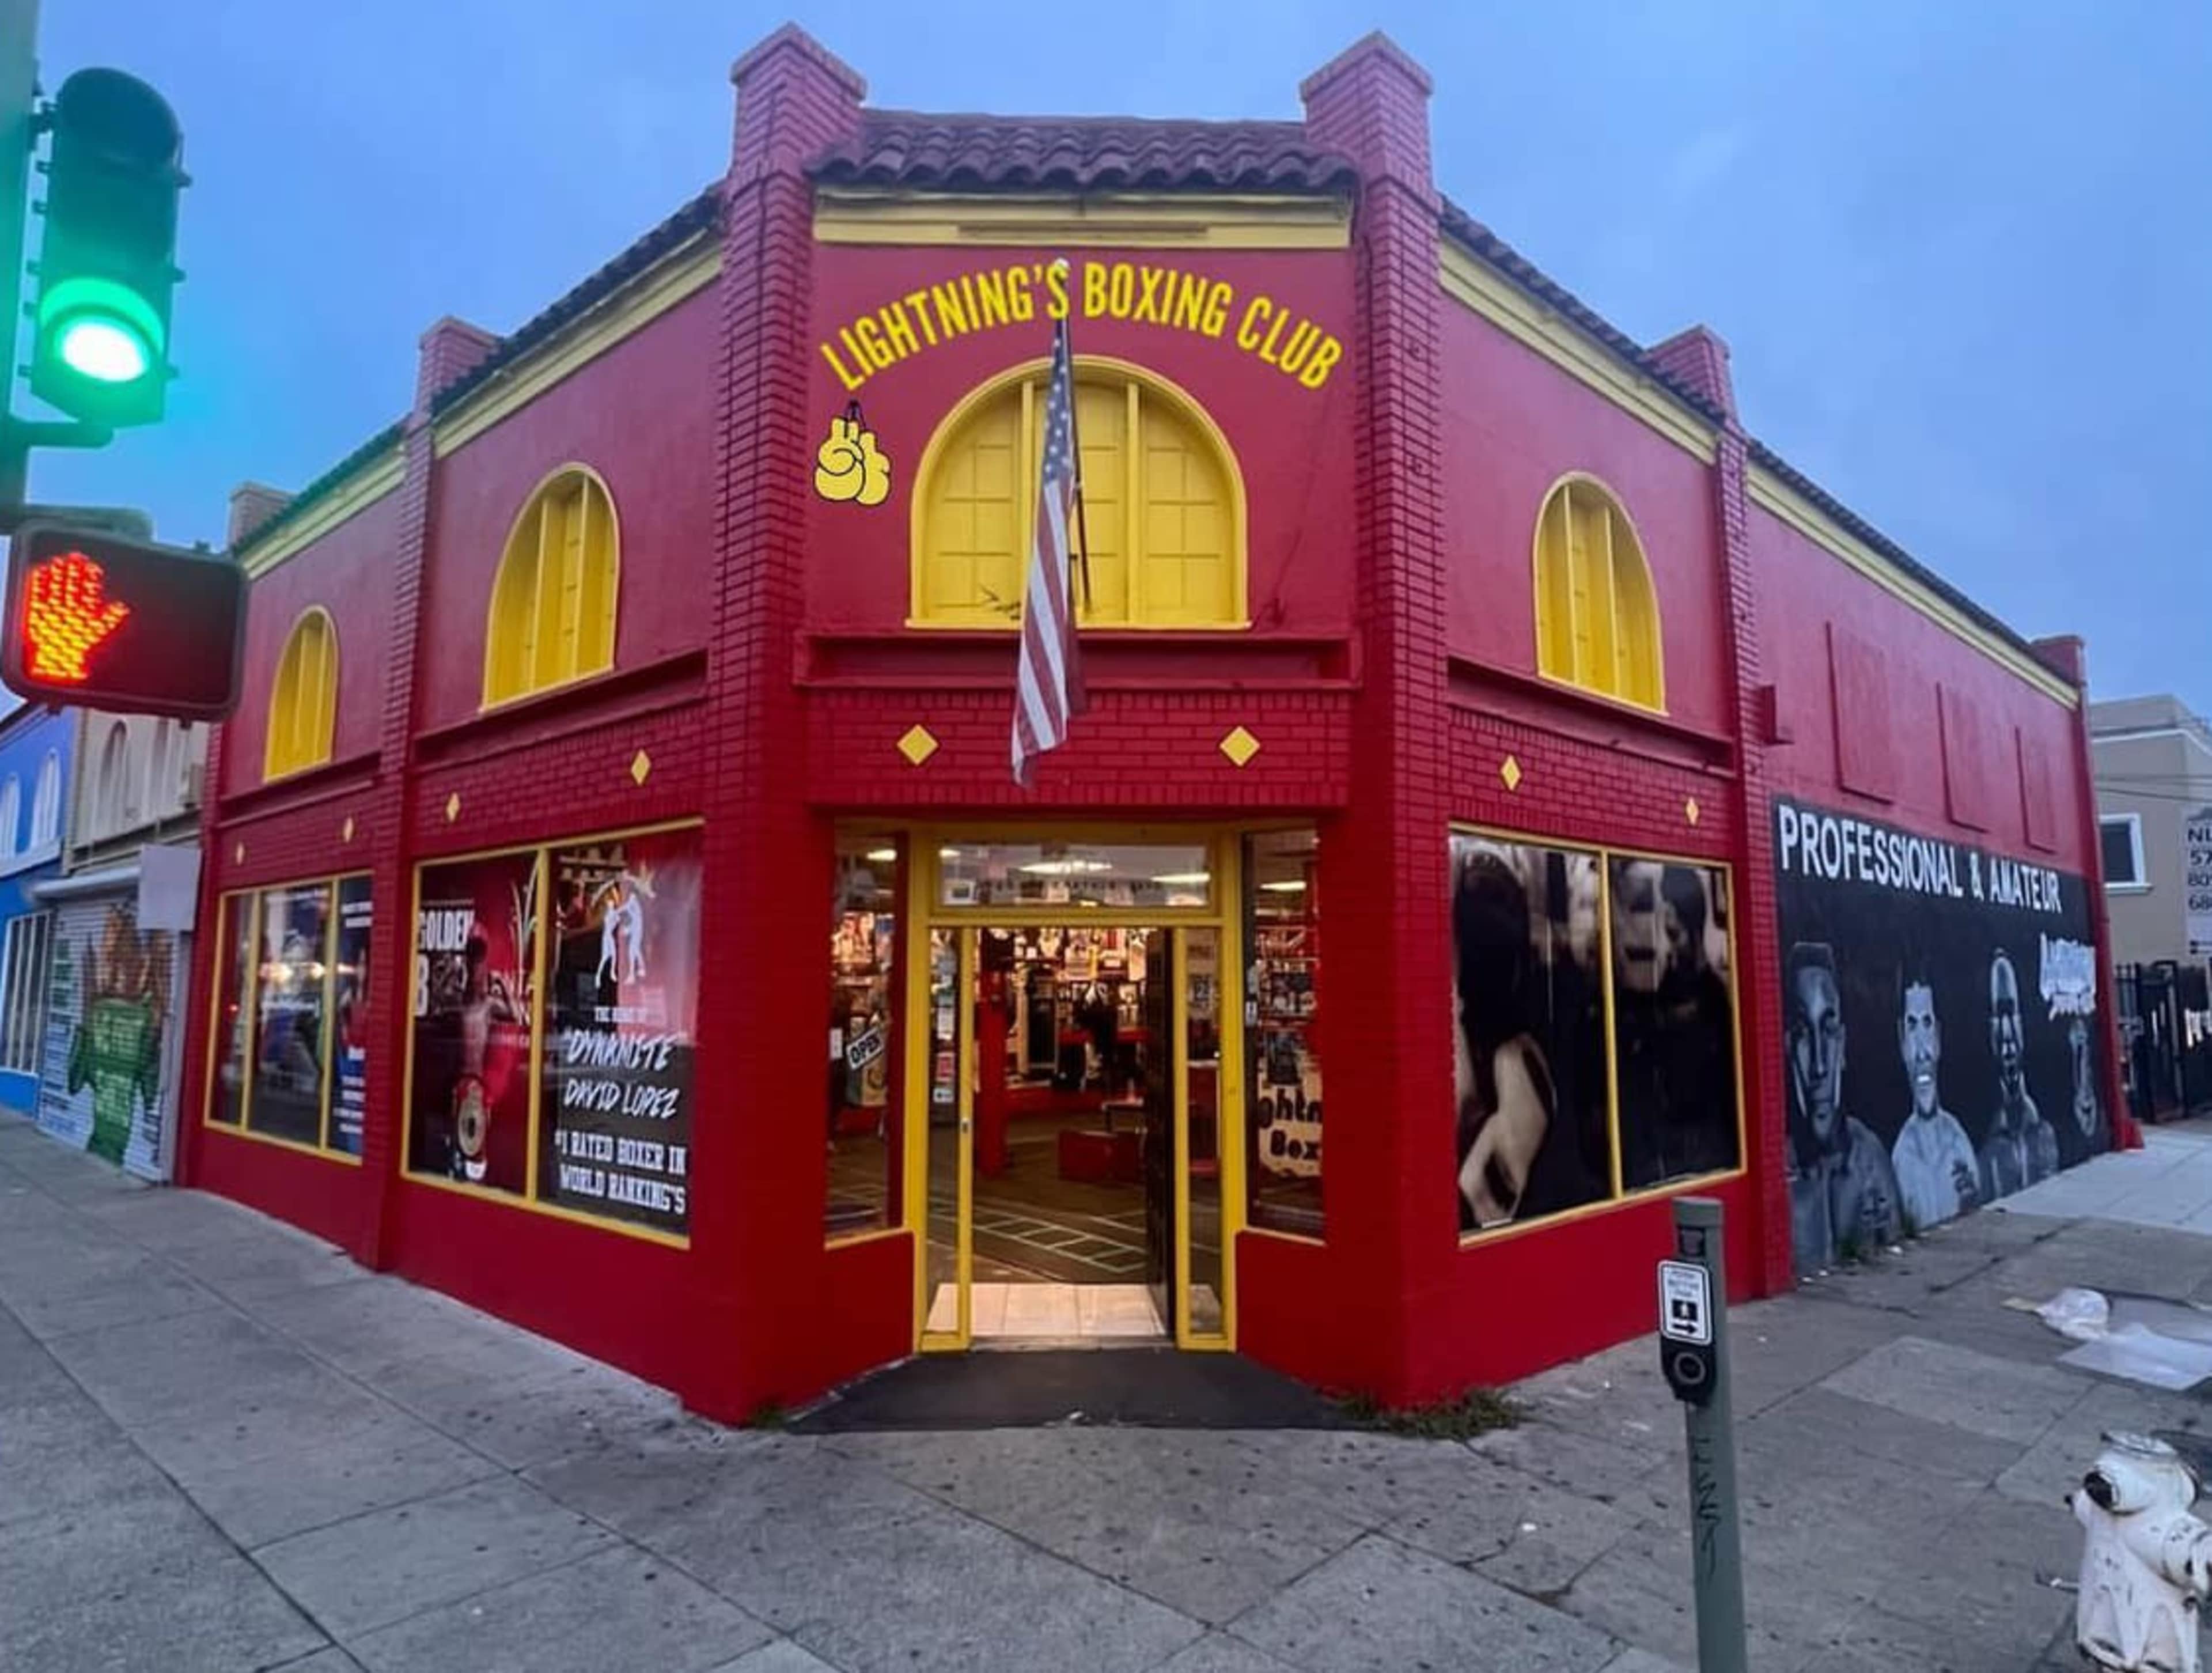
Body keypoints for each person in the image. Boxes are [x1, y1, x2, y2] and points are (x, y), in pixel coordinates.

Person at [1785, 941, 1900, 1269]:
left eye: (1829, 1028)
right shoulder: (1779, 1174)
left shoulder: (1869, 1159)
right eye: (1804, 1032)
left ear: (1843, 1044)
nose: (1819, 1066)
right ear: (1787, 1047)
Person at [1886, 964, 1978, 1231]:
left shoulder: (1960, 1145)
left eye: (1927, 1023)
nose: (1922, 1051)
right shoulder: (1901, 1159)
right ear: (1902, 1042)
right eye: (1912, 1026)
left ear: (1938, 1037)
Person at [1978, 949, 2058, 1199]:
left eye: (2010, 1012)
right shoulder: (1988, 1153)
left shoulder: (2043, 1133)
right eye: (1997, 1015)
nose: (2006, 1034)